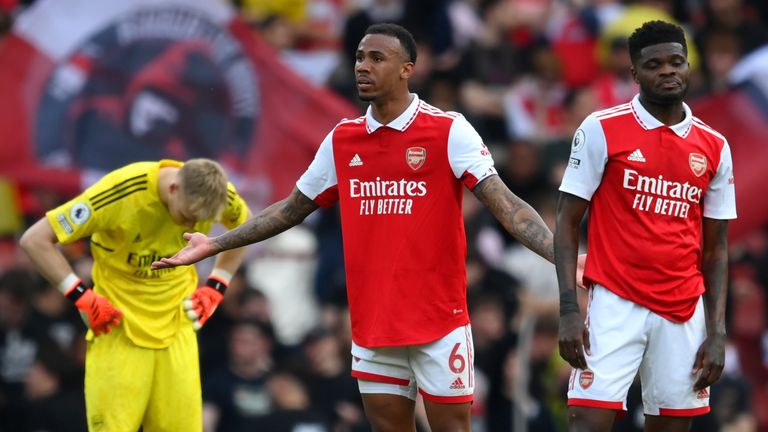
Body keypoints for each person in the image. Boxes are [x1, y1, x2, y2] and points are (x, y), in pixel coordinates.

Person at [153, 23, 561, 432]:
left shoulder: (448, 131)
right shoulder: (341, 140)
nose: (363, 66)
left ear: (407, 69)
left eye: (377, 58)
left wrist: (561, 255)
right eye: (359, 57)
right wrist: (214, 244)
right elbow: (289, 210)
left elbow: (507, 206)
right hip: (373, 325)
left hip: (439, 323)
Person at [555, 20, 737, 432]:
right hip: (615, 301)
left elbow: (717, 248)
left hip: (683, 308)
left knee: (671, 427)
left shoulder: (714, 146)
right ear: (635, 74)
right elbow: (566, 222)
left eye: (677, 62)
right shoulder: (601, 128)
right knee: (585, 421)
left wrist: (718, 331)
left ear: (690, 66)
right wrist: (568, 309)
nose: (668, 71)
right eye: (654, 65)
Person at [19, 158, 251, 431]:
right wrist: (81, 295)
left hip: (178, 328)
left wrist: (216, 286)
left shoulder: (221, 194)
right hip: (118, 327)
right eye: (188, 216)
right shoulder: (120, 192)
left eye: (201, 221)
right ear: (174, 187)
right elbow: (34, 239)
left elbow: (245, 227)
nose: (191, 225)